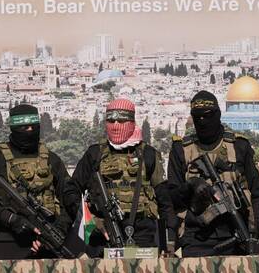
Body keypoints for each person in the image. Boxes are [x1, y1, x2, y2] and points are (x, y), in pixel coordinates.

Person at [64, 98, 176, 252]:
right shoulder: (95, 154)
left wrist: (169, 240)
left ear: (132, 122)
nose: (115, 125)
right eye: (111, 121)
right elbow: (71, 191)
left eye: (121, 121)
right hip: (103, 236)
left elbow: (164, 199)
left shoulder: (148, 154)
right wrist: (91, 221)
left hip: (142, 234)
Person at [167, 90, 259, 257]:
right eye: (197, 117)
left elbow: (257, 192)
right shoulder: (181, 150)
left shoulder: (239, 146)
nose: (203, 121)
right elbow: (172, 197)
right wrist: (191, 185)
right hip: (196, 237)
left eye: (208, 116)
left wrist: (256, 226)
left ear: (218, 114)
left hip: (236, 232)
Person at [0, 104, 72, 259]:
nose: (30, 131)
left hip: (47, 245)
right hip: (8, 243)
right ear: (13, 128)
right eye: (24, 127)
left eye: (33, 127)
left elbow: (70, 198)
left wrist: (59, 230)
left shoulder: (52, 160)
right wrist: (10, 219)